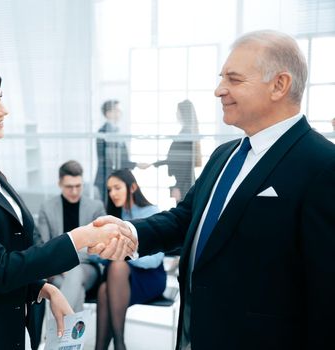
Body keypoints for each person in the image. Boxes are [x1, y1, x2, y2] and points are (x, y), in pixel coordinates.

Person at [92, 30, 335, 350]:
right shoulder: (225, 155)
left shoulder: (322, 165)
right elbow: (185, 219)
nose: (220, 90)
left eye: (234, 80)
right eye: (222, 78)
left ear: (279, 85)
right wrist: (131, 233)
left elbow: (327, 295)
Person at [0, 56, 133, 350]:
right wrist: (80, 237)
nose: (3, 110)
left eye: (1, 99)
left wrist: (44, 289)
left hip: (7, 326)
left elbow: (10, 249)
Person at [95, 169, 166, 350]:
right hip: (120, 280)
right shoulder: (114, 216)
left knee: (118, 265)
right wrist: (99, 252)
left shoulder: (152, 211)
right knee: (104, 290)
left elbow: (154, 261)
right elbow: (107, 260)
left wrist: (123, 255)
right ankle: (106, 346)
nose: (112, 194)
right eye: (110, 190)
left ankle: (119, 344)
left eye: (117, 188)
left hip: (150, 277)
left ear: (132, 187)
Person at [36, 160, 106, 311]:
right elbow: (44, 248)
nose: (74, 191)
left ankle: (57, 331)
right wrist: (60, 266)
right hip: (57, 272)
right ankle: (69, 333)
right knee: (71, 287)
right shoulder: (47, 209)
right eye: (69, 187)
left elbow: (101, 247)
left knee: (74, 273)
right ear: (60, 184)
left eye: (78, 186)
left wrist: (66, 261)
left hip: (88, 269)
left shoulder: (96, 208)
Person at [94, 100, 149, 201]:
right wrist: (136, 165)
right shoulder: (105, 133)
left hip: (114, 178)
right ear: (108, 113)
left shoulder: (114, 131)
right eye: (118, 110)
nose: (120, 113)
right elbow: (114, 161)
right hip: (107, 179)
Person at [153, 99, 202, 202]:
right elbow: (175, 159)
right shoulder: (186, 133)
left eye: (178, 111)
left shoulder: (186, 135)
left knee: (182, 214)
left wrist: (178, 187)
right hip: (184, 181)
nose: (176, 114)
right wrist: (155, 164)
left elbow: (184, 164)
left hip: (183, 183)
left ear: (183, 114)